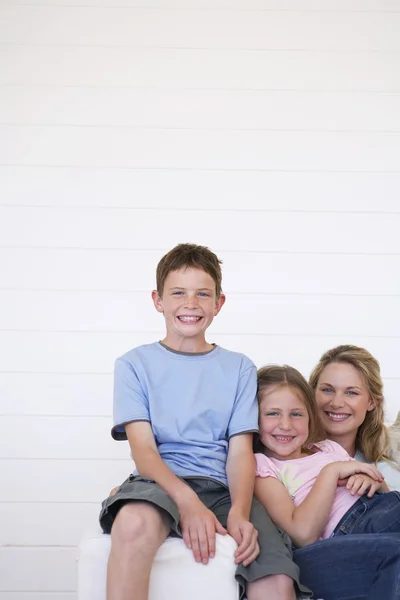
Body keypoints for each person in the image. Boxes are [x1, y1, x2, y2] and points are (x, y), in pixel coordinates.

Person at [99, 243, 310, 600]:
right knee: (133, 524)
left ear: (218, 303)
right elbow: (144, 452)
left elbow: (240, 451)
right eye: (178, 292)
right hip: (159, 483)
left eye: (203, 294)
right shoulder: (134, 364)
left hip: (224, 490)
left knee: (275, 579)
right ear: (158, 300)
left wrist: (240, 514)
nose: (191, 303)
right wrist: (187, 502)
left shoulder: (239, 367)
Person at [309, 345, 400, 491]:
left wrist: (383, 490)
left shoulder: (389, 473)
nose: (336, 403)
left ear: (372, 402)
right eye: (327, 390)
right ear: (312, 393)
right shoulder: (287, 461)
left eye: (351, 392)